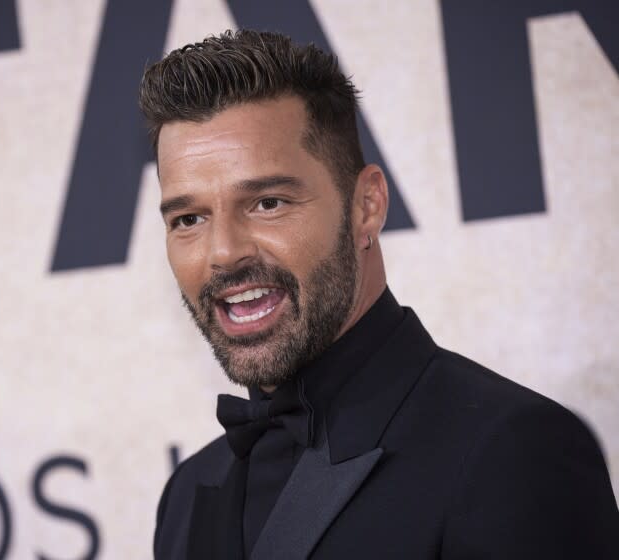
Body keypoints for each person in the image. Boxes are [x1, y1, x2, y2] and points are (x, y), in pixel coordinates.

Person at [139, 30, 619, 559]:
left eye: (268, 203)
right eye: (188, 218)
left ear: (366, 206)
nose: (223, 252)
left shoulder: (513, 451)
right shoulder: (185, 495)